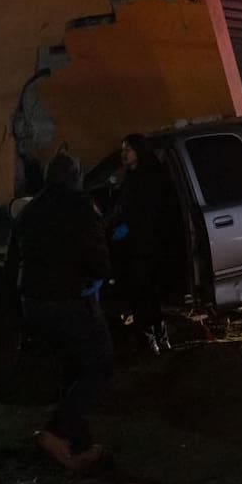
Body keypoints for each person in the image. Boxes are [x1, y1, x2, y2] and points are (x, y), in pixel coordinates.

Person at [4, 149, 112, 471]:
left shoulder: (28, 210)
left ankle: (78, 446)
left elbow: (11, 263)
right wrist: (97, 279)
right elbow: (97, 257)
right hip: (68, 300)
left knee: (71, 370)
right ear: (75, 177)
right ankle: (55, 431)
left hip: (33, 303)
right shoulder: (81, 207)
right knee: (100, 364)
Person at [107, 134, 183, 356]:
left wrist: (129, 227)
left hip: (148, 246)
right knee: (144, 294)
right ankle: (155, 340)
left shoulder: (150, 177)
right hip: (136, 246)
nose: (124, 154)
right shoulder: (131, 177)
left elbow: (151, 212)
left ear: (139, 151)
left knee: (145, 294)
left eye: (128, 150)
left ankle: (153, 341)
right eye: (123, 150)